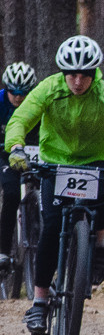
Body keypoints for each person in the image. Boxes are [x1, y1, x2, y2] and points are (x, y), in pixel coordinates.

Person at [5, 36, 104, 335]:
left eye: (84, 75)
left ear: (94, 74)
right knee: (51, 226)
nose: (78, 82)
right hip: (55, 162)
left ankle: (100, 245)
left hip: (93, 162)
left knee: (101, 201)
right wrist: (15, 146)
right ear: (63, 73)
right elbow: (21, 119)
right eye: (72, 74)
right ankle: (39, 301)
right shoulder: (49, 89)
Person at [0, 62, 36, 270]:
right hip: (5, 155)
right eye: (14, 91)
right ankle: (3, 251)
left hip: (33, 153)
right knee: (12, 194)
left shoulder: (36, 102)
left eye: (24, 92)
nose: (19, 97)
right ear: (7, 88)